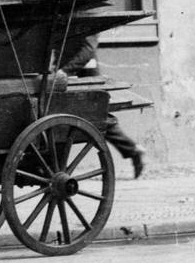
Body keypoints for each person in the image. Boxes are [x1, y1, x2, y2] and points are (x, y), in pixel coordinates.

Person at [58, 34, 147, 178]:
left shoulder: (87, 22)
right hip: (69, 75)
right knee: (97, 120)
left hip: (85, 76)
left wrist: (64, 70)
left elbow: (87, 50)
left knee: (99, 119)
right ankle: (132, 149)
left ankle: (132, 149)